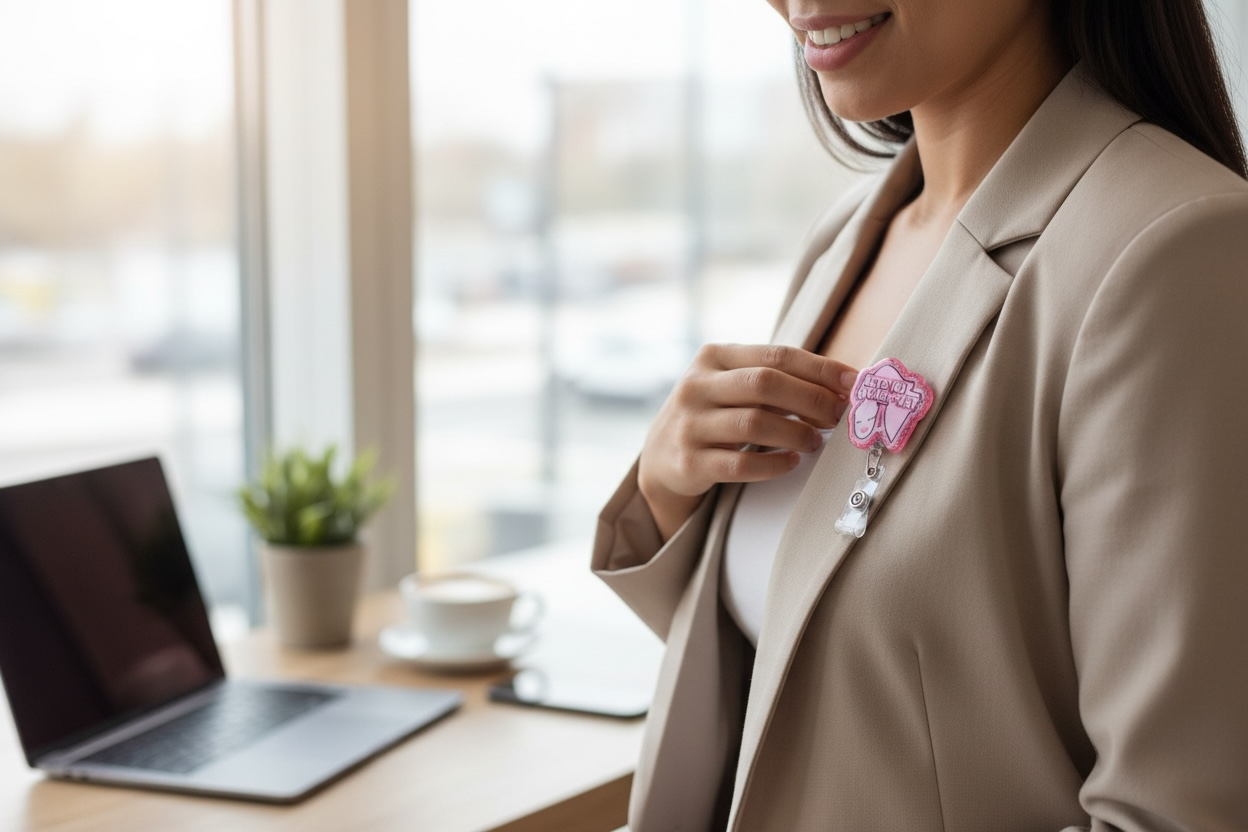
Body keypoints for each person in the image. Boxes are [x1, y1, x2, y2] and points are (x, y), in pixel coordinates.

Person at [591, 0, 1248, 829]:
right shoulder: (850, 234)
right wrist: (668, 493)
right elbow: (828, 675)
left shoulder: (1174, 252)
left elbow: (1176, 812)